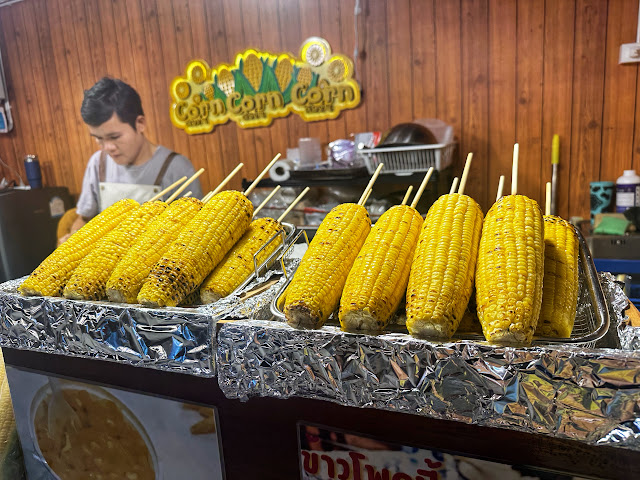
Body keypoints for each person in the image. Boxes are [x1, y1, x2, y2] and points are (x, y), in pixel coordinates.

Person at [60, 77, 203, 243]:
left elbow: (194, 232)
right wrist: (74, 238)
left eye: (114, 137)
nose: (107, 147)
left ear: (140, 123)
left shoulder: (176, 168)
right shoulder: (98, 164)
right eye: (98, 138)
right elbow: (83, 219)